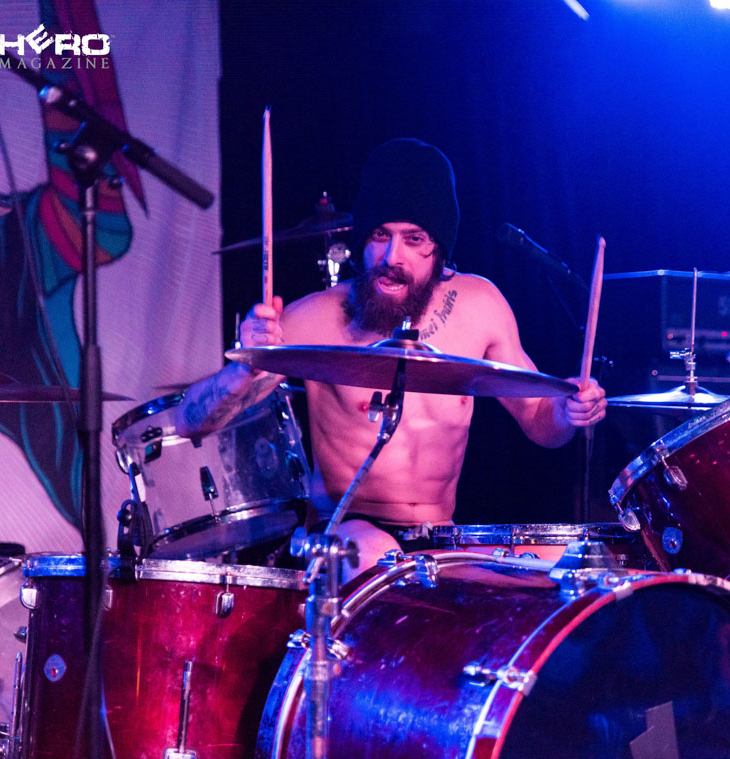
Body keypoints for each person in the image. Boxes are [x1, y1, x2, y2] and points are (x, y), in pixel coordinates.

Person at [177, 138, 606, 576]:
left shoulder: (482, 307)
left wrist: (568, 413)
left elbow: (540, 421)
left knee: (558, 567)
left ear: (440, 248)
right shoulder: (314, 318)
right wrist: (245, 369)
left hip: (439, 538)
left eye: (414, 239)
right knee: (379, 558)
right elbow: (190, 422)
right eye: (380, 235)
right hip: (345, 532)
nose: (391, 257)